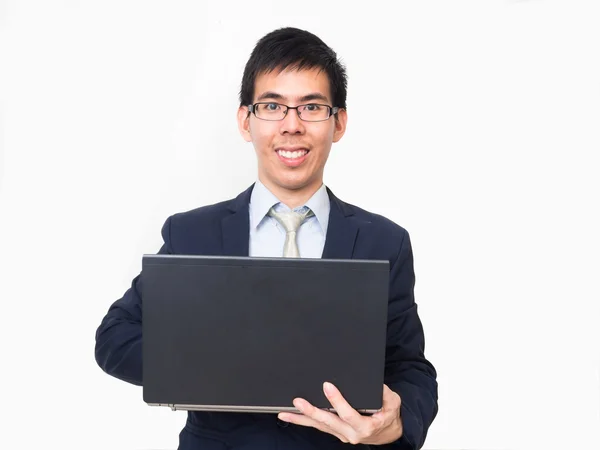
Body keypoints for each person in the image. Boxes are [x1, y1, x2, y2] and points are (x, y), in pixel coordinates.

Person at [95, 26, 438, 450]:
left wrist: (399, 420)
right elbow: (115, 337)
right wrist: (220, 368)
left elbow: (411, 368)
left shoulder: (386, 242)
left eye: (312, 107)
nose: (291, 126)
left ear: (339, 123)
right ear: (246, 120)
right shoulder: (193, 234)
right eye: (273, 106)